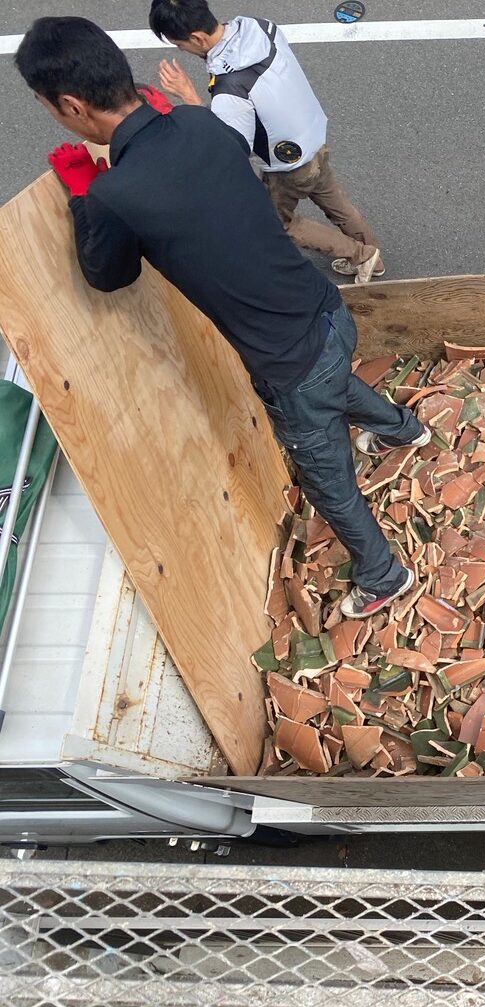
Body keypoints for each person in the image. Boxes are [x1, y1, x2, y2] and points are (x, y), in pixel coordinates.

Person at [16, 16, 428, 619]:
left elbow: (108, 274)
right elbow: (215, 168)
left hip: (288, 363)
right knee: (332, 375)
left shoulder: (113, 195)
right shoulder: (198, 121)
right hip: (326, 311)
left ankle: (383, 574)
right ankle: (403, 429)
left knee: (326, 477)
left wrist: (84, 195)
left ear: (71, 106)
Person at [149, 0, 384, 284]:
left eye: (179, 44)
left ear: (197, 38)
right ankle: (375, 258)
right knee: (336, 202)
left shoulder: (231, 89)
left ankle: (361, 255)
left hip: (288, 165)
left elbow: (228, 146)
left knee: (278, 224)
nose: (181, 50)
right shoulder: (258, 27)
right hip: (312, 135)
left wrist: (190, 97)